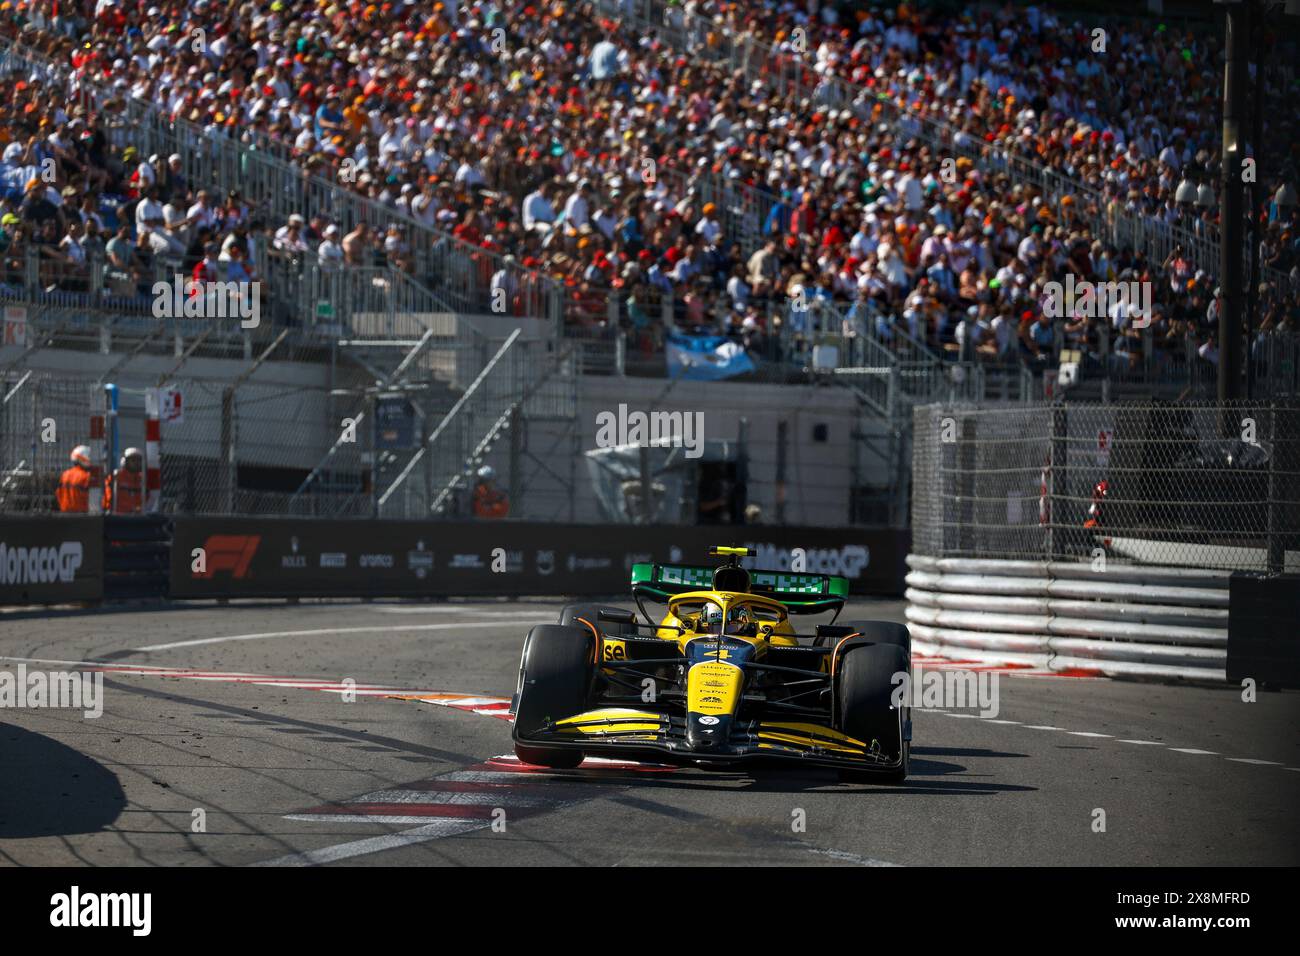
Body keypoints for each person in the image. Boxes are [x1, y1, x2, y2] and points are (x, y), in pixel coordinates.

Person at [104, 447, 144, 514]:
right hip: (119, 515)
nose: (137, 463)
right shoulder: (116, 477)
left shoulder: (142, 479)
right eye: (133, 460)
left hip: (138, 516)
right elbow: (107, 497)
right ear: (124, 462)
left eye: (139, 461)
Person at [56, 445, 95, 513]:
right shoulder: (86, 476)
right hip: (83, 515)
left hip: (65, 513)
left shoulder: (65, 474)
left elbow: (58, 494)